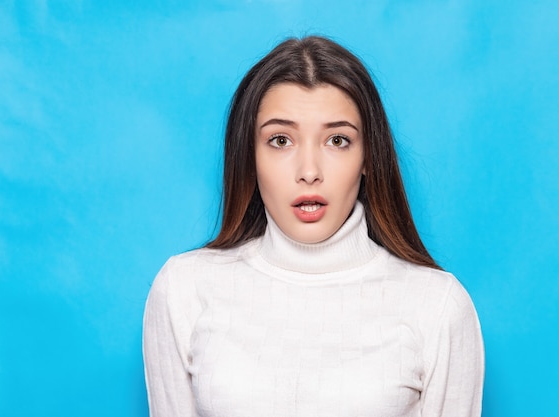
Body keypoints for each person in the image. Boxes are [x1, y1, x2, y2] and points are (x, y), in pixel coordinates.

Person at [143, 36, 484, 417]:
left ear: (369, 156)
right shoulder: (184, 288)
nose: (309, 172)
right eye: (280, 140)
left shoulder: (437, 306)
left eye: (337, 140)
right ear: (249, 158)